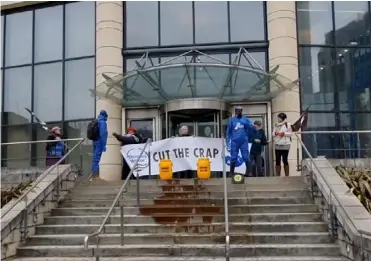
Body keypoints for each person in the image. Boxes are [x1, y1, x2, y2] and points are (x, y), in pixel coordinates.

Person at [226, 106, 257, 177]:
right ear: (235, 111)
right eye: (237, 110)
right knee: (233, 157)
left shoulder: (245, 120)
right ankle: (231, 173)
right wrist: (228, 143)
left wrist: (251, 126)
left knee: (246, 156)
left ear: (241, 111)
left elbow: (252, 129)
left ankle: (249, 172)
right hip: (234, 141)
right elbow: (228, 132)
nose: (239, 112)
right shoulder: (232, 120)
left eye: (240, 110)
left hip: (243, 141)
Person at [273, 112, 293, 176]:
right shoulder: (276, 125)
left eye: (279, 118)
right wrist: (275, 133)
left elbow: (290, 133)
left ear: (283, 118)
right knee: (277, 160)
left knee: (285, 159)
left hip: (285, 144)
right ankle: (278, 175)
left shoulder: (288, 124)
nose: (278, 119)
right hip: (277, 144)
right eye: (278, 117)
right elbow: (273, 134)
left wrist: (284, 133)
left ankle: (287, 175)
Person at [91, 110, 108, 179]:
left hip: (95, 141)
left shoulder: (97, 121)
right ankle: (96, 176)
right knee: (96, 159)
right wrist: (104, 145)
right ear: (105, 115)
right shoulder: (102, 122)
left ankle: (94, 175)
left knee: (95, 158)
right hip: (99, 142)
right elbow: (103, 134)